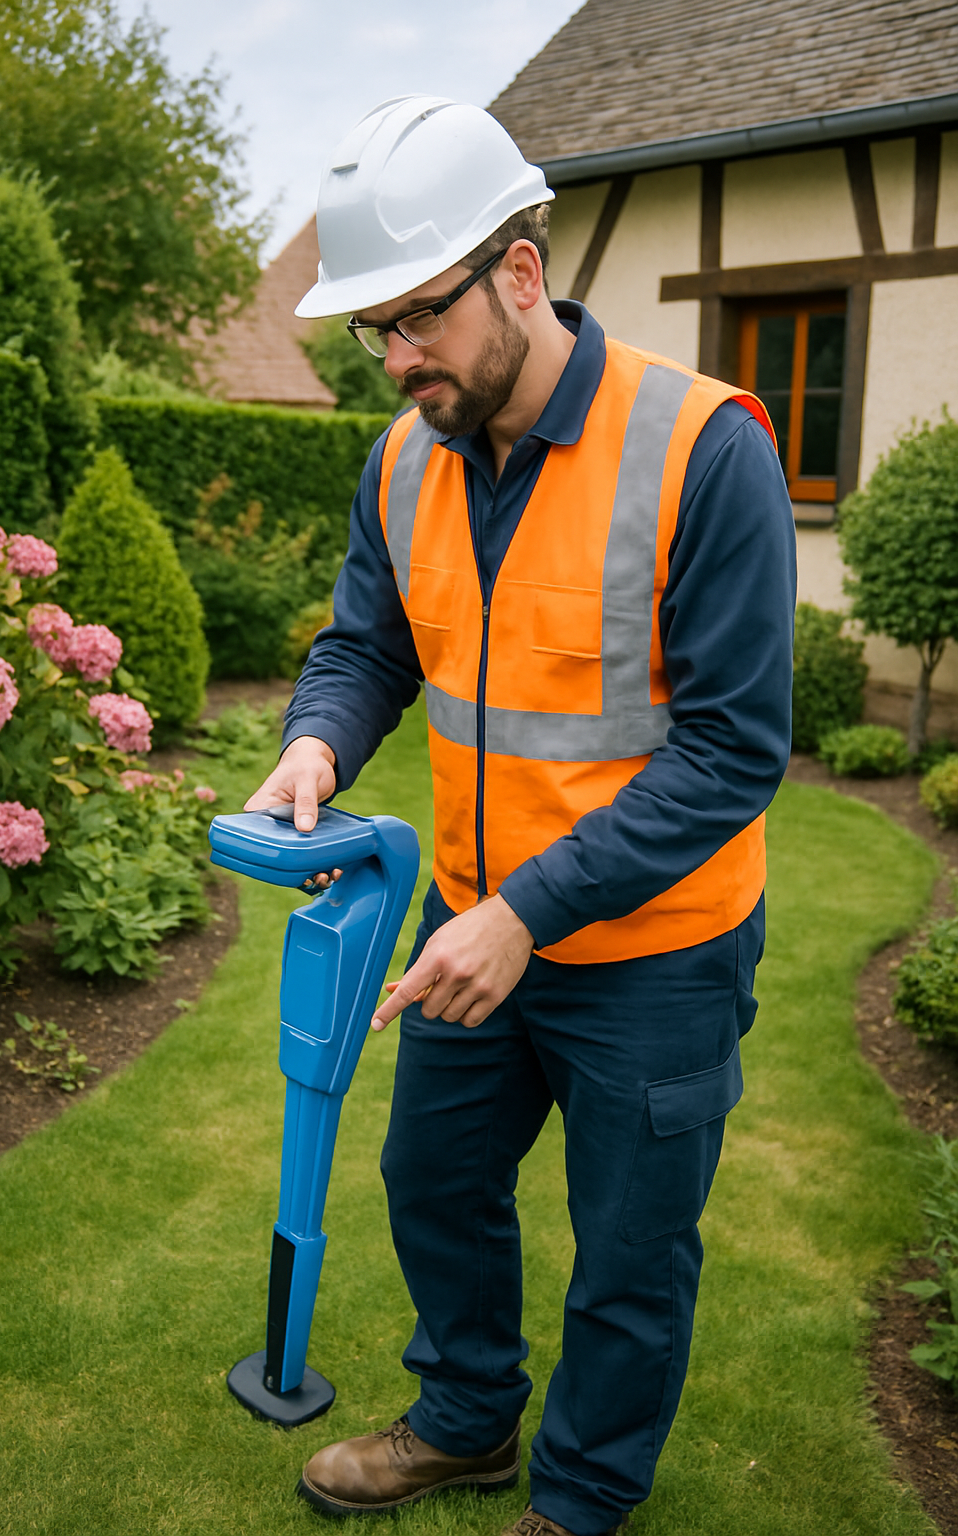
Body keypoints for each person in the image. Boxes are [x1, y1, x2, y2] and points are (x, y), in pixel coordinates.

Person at [246, 96, 796, 1536]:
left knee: (627, 1255)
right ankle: (468, 1420)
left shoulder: (703, 446)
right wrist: (317, 742)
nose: (397, 362)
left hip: (659, 956)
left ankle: (581, 1499)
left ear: (518, 273)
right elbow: (368, 646)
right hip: (469, 921)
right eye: (374, 331)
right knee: (430, 1180)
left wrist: (530, 912)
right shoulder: (402, 461)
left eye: (417, 318)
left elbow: (734, 752)